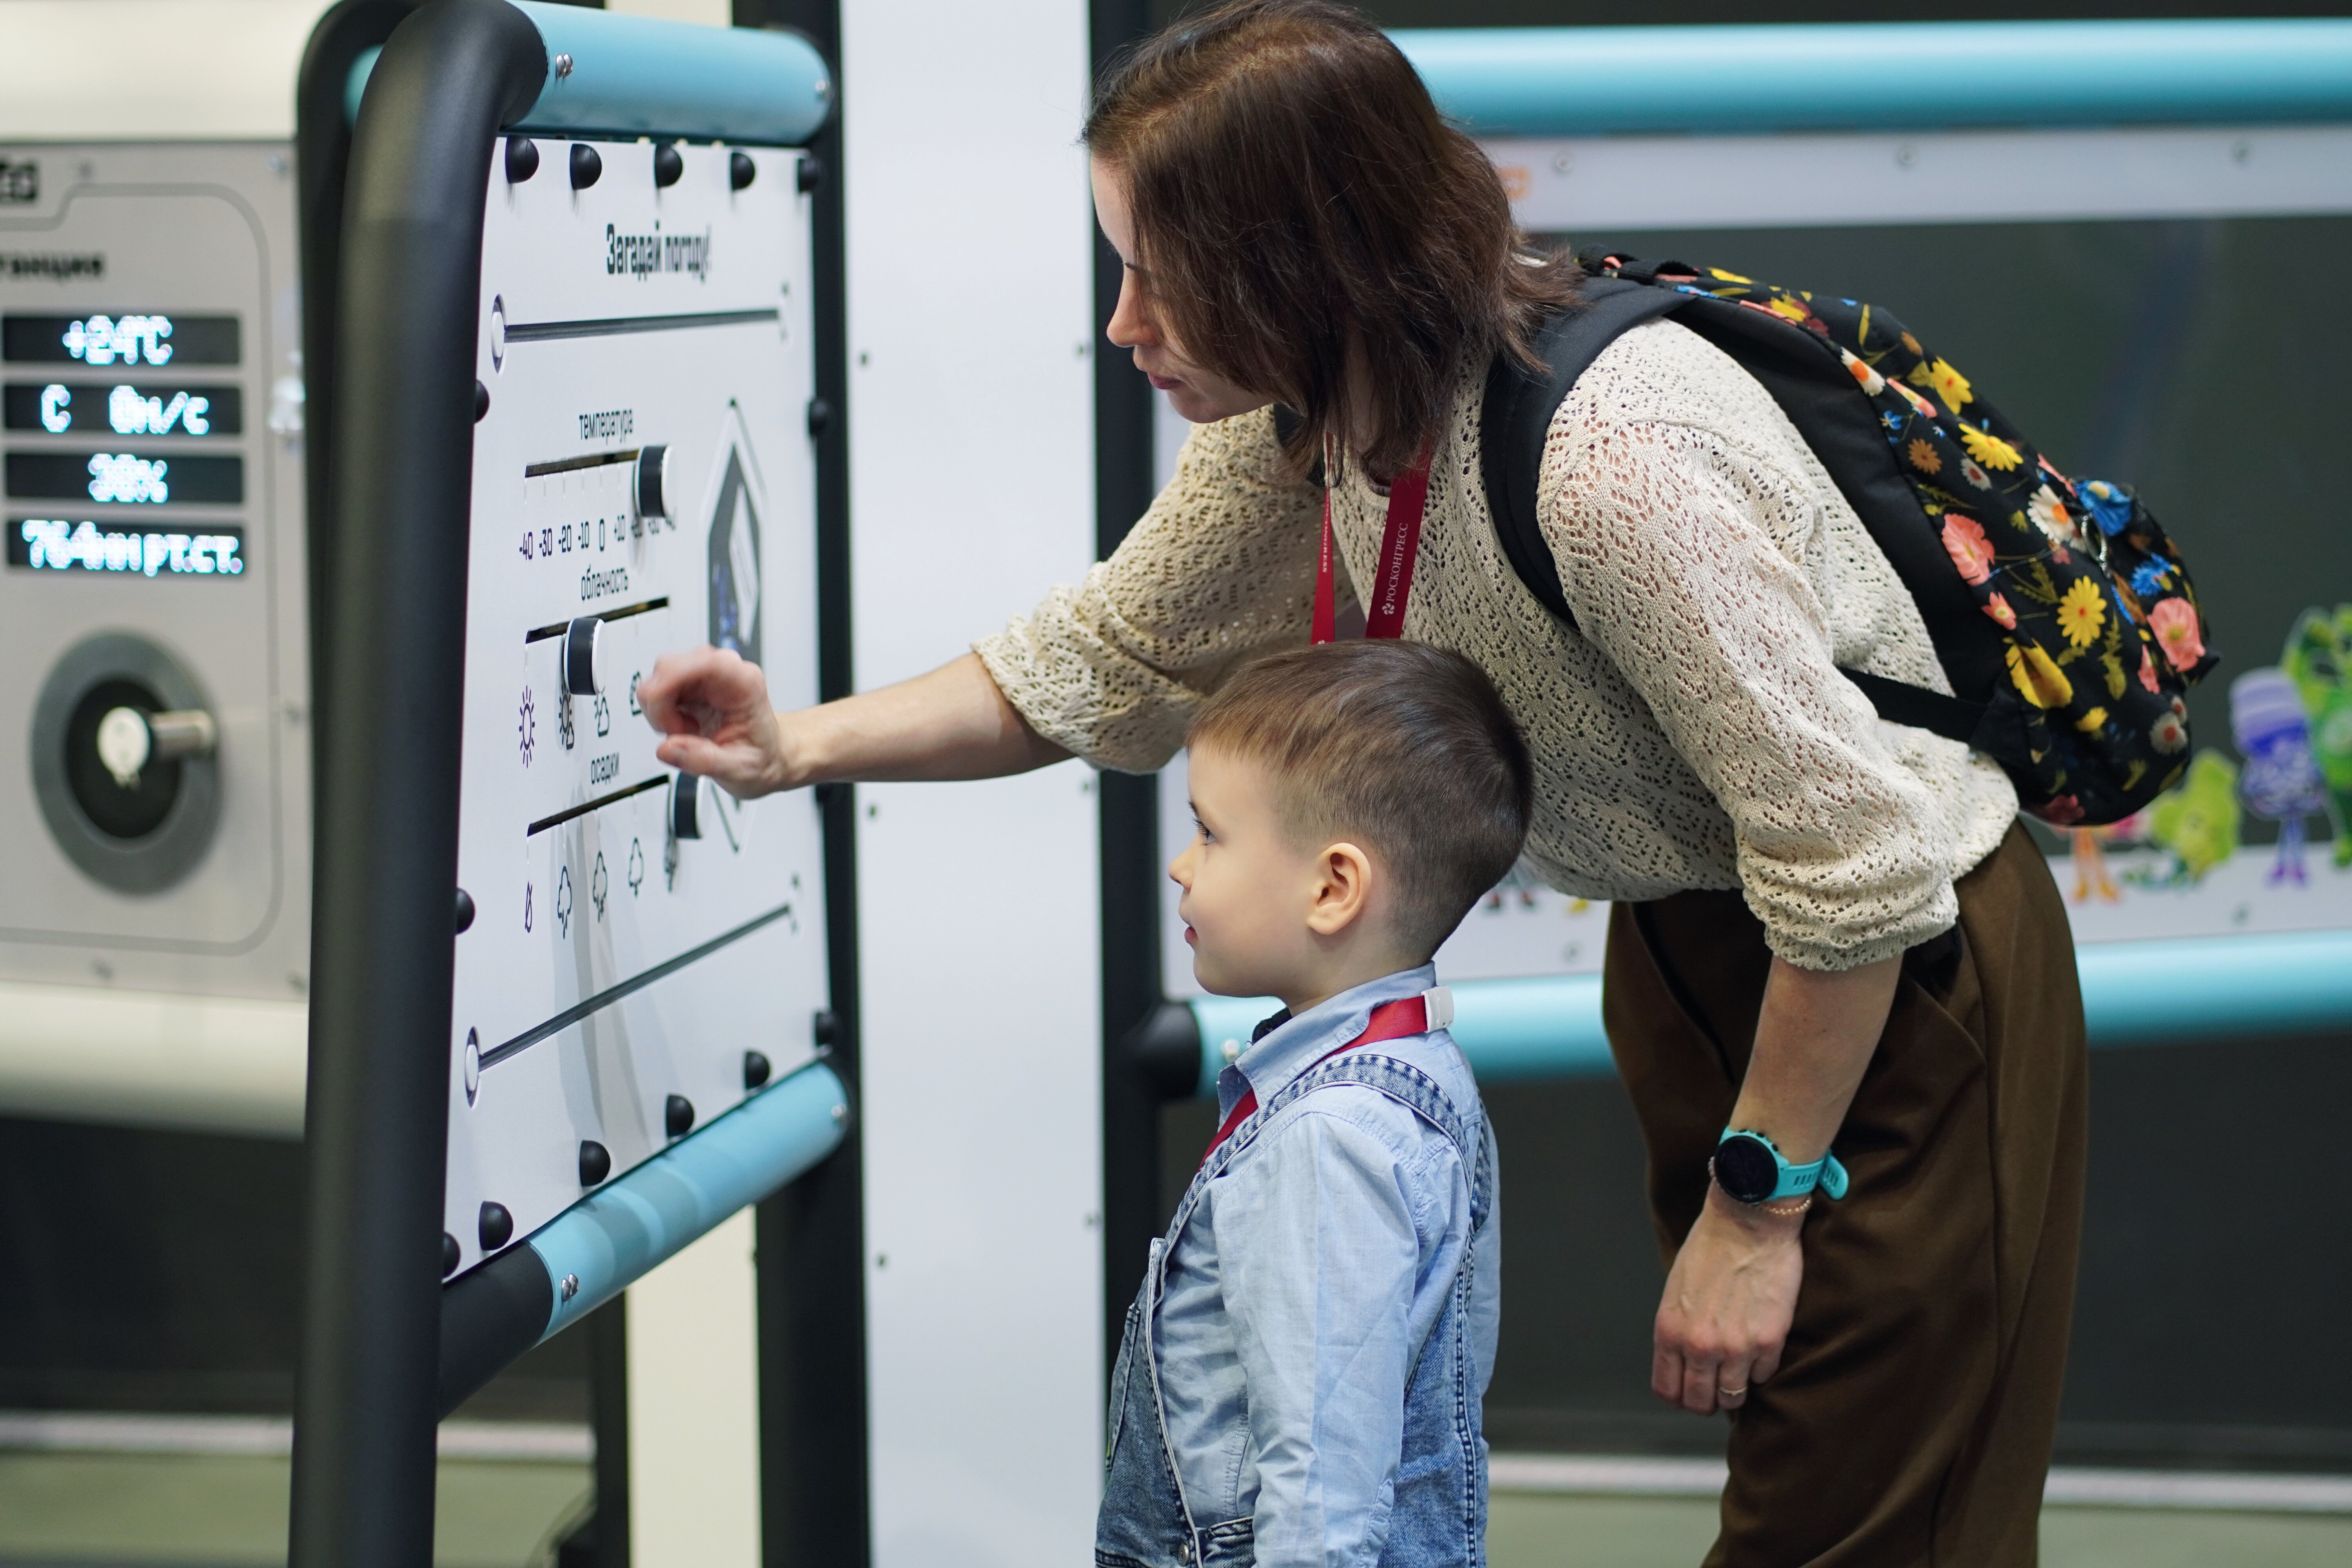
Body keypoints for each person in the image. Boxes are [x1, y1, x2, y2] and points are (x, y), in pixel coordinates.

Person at [637, 2, 2088, 1563]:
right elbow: (1105, 657)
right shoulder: (1318, 414)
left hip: (1890, 979)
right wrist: (793, 748)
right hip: (1695, 945)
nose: (1125, 324)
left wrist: (1758, 1205)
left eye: (1159, 276)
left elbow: (1859, 869)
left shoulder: (1612, 465)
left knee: (1869, 1531)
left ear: (1300, 261)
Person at [1097, 639, 1519, 1567]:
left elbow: (1320, 1491)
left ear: (1333, 887)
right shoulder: (1423, 1069)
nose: (1181, 865)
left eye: (1210, 833)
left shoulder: (1331, 1137)